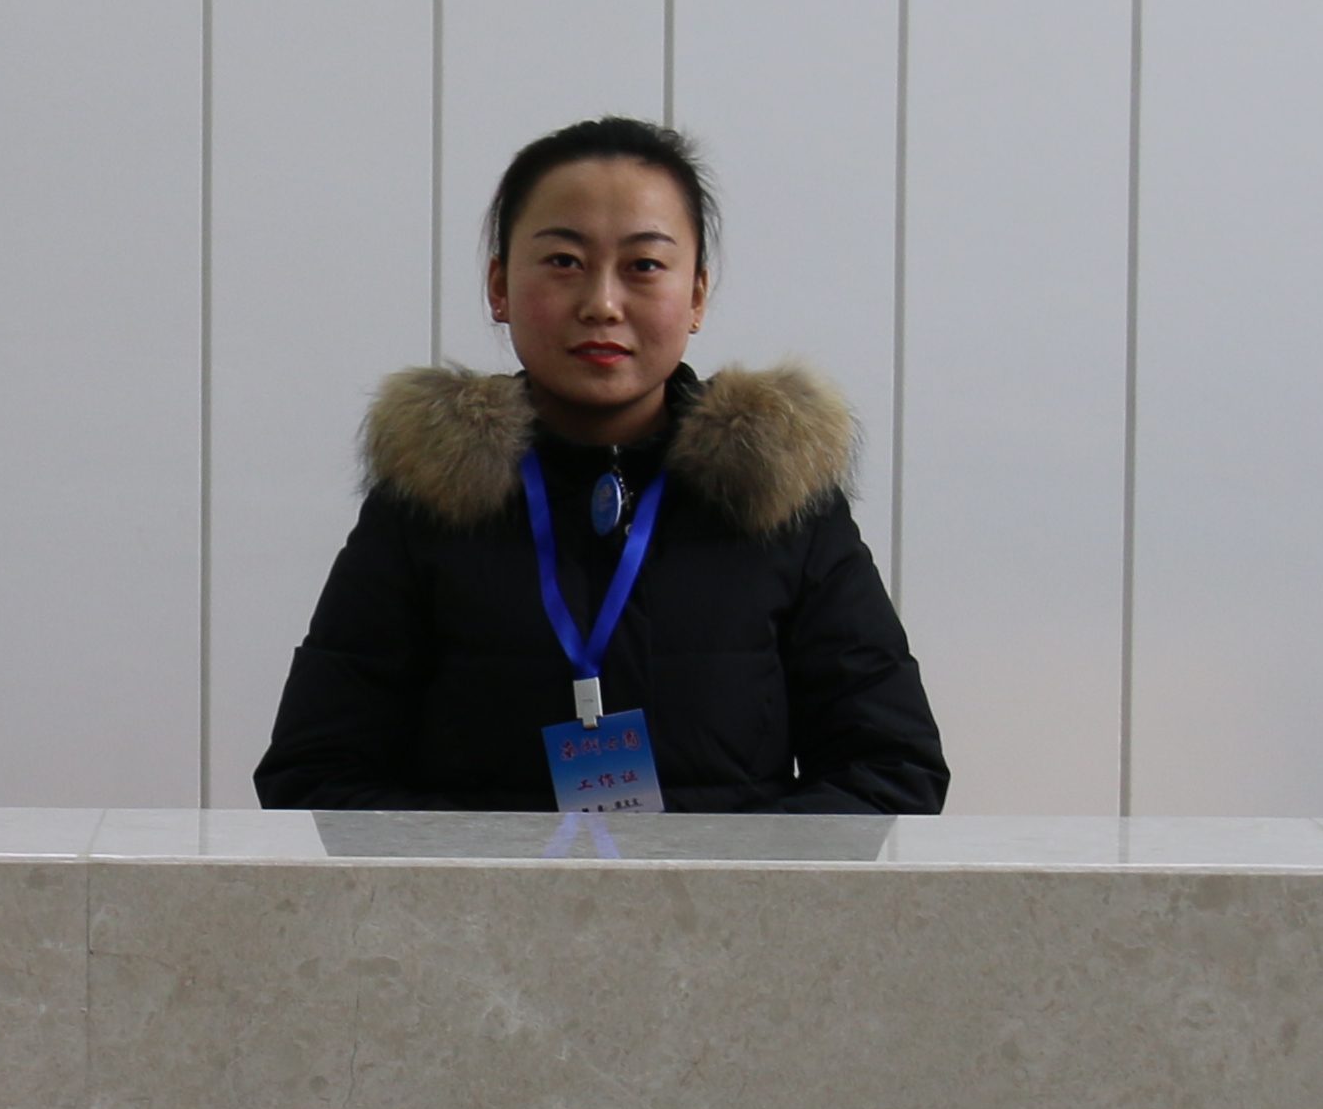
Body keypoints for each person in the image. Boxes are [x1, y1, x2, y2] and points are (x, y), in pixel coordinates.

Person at [254, 116, 948, 817]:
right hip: (488, 896)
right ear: (499, 286)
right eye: (564, 261)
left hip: (725, 896)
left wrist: (710, 876)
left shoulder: (781, 494)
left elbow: (891, 769)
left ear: (697, 295)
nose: (602, 304)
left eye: (644, 265)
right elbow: (315, 774)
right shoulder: (428, 497)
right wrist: (496, 877)